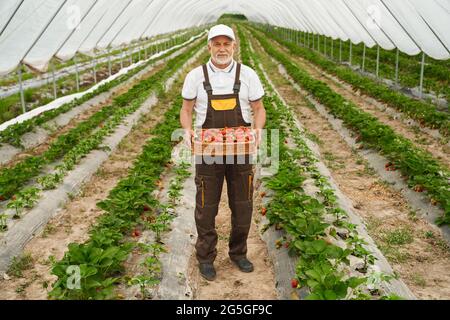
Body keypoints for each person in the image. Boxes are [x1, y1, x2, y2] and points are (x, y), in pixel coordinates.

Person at [180, 24, 266, 281]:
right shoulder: (196, 75)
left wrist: (258, 130)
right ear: (209, 47)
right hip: (208, 149)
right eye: (216, 44)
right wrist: (187, 130)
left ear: (234, 46)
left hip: (240, 149)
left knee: (242, 204)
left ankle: (238, 253)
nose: (221, 48)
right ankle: (206, 257)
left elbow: (259, 108)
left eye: (226, 43)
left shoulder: (248, 74)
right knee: (206, 206)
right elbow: (186, 110)